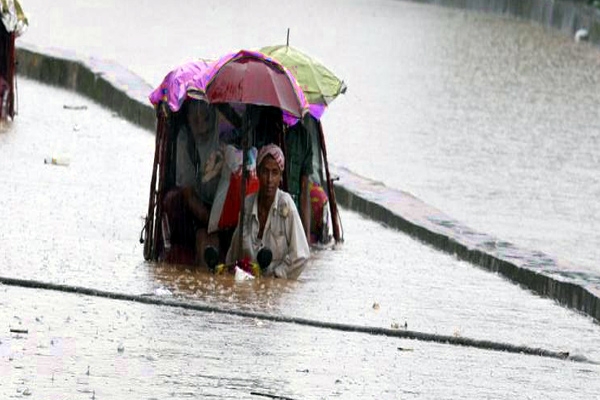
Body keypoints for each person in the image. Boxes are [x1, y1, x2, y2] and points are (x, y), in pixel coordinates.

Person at [226, 144, 310, 279]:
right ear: (258, 173)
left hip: (276, 288)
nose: (269, 180)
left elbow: (301, 255)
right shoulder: (247, 204)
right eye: (265, 172)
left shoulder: (286, 204)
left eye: (275, 173)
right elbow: (234, 252)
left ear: (280, 177)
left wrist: (276, 277)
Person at [162, 99, 223, 266]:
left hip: (226, 206)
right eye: (195, 119)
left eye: (205, 117)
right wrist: (212, 223)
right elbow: (188, 194)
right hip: (197, 209)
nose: (201, 126)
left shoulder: (224, 130)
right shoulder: (184, 139)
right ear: (187, 117)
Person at [285, 114, 315, 242]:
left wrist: (306, 234)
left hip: (292, 206)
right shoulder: (267, 125)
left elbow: (304, 187)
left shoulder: (304, 137)